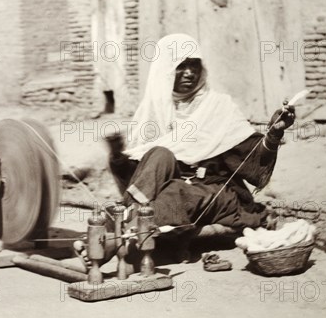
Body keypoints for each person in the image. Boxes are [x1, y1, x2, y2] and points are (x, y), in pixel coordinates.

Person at [74, 33, 295, 269]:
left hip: (216, 192)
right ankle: (123, 225)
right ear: (165, 70)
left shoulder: (218, 107)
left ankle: (111, 241)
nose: (189, 72)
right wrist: (118, 158)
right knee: (159, 154)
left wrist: (273, 134)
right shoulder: (154, 110)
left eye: (194, 65)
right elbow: (139, 176)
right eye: (180, 66)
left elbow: (251, 160)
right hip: (168, 190)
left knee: (174, 193)